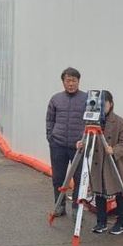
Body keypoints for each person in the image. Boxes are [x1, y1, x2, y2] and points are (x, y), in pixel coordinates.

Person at [78, 91, 123, 235]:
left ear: (111, 104)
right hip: (98, 164)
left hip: (114, 164)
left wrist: (114, 150)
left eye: (104, 104)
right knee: (99, 192)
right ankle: (101, 222)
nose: (101, 107)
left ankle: (122, 223)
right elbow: (88, 140)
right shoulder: (92, 123)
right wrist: (82, 145)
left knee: (120, 192)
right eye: (99, 104)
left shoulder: (119, 122)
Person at [45, 67, 87, 216]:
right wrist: (50, 137)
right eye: (68, 80)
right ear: (63, 82)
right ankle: (59, 205)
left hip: (79, 146)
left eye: (74, 80)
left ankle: (76, 208)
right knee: (58, 177)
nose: (71, 84)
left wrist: (85, 141)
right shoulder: (56, 99)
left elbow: (92, 121)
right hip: (58, 145)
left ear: (78, 81)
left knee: (79, 178)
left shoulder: (86, 99)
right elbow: (50, 120)